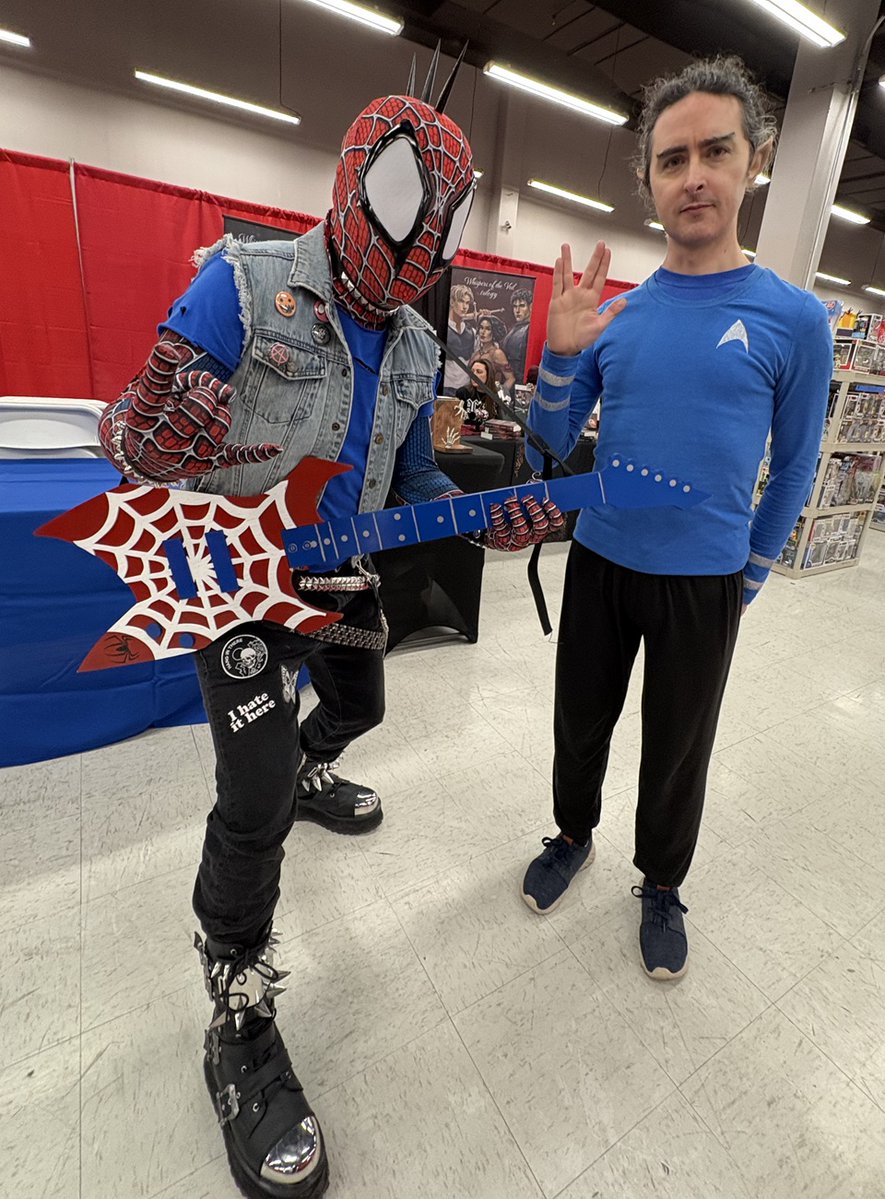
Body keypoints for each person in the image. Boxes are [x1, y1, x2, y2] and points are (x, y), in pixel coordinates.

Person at [98, 70, 560, 1199]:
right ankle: (238, 1011)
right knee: (250, 803)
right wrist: (146, 439)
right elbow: (136, 434)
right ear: (357, 178)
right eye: (406, 196)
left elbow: (410, 478)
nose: (417, 231)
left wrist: (482, 509)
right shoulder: (243, 286)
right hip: (244, 598)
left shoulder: (410, 343)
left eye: (438, 214)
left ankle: (307, 768)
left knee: (360, 706)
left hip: (343, 590)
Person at [520, 55, 833, 983]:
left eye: (714, 152)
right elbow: (547, 448)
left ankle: (660, 882)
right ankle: (571, 832)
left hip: (706, 580)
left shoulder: (793, 321)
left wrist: (749, 575)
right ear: (650, 180)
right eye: (670, 159)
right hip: (601, 561)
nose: (692, 174)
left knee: (677, 745)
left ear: (754, 162)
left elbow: (796, 467)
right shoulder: (617, 317)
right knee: (580, 720)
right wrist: (557, 358)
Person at [444, 283, 477, 391]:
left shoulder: (472, 332)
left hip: (466, 389)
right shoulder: (442, 329)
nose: (465, 307)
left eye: (467, 303)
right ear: (452, 302)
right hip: (445, 387)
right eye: (461, 301)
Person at [472, 314, 515, 392]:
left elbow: (511, 378)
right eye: (481, 328)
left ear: (494, 331)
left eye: (488, 329)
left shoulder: (497, 353)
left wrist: (498, 395)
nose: (483, 332)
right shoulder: (477, 353)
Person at [455, 357, 500, 429]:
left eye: (479, 372)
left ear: (488, 375)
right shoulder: (463, 392)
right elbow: (456, 421)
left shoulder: (497, 395)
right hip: (467, 436)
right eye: (472, 371)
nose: (474, 375)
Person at [501, 288, 533, 383]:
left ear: (531, 306)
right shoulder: (514, 328)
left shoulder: (529, 329)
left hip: (520, 382)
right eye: (515, 306)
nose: (517, 310)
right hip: (507, 380)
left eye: (522, 306)